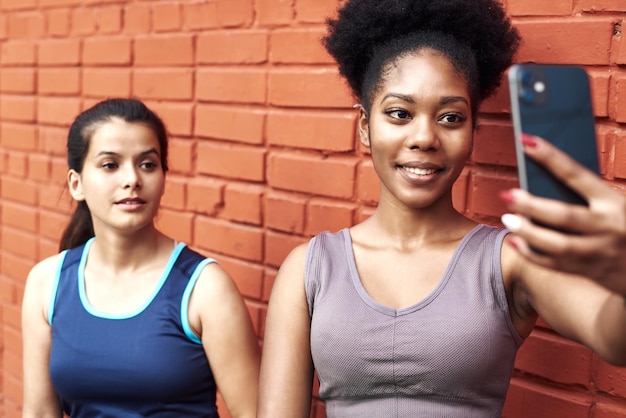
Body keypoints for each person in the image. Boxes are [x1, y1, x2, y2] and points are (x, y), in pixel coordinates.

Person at [257, 0, 626, 417]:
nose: (424, 137)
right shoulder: (309, 268)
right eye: (399, 113)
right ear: (365, 125)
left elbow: (615, 339)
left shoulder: (510, 261)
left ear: (472, 131)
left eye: (450, 118)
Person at [21, 98, 260, 417]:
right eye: (110, 165)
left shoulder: (205, 288)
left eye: (147, 164)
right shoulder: (47, 282)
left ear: (164, 178)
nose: (132, 179)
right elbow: (39, 412)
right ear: (76, 184)